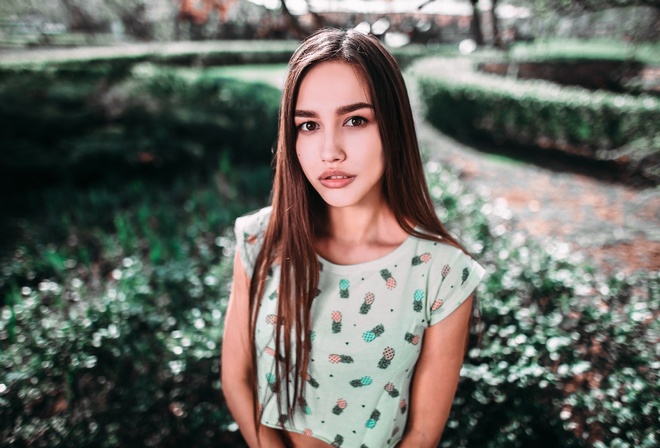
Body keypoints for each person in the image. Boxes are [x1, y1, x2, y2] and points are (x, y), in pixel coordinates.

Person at [221, 28, 485, 448]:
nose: (330, 150)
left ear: (393, 127)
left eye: (355, 120)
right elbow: (237, 378)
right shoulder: (261, 240)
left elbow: (421, 433)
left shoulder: (443, 274)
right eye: (308, 125)